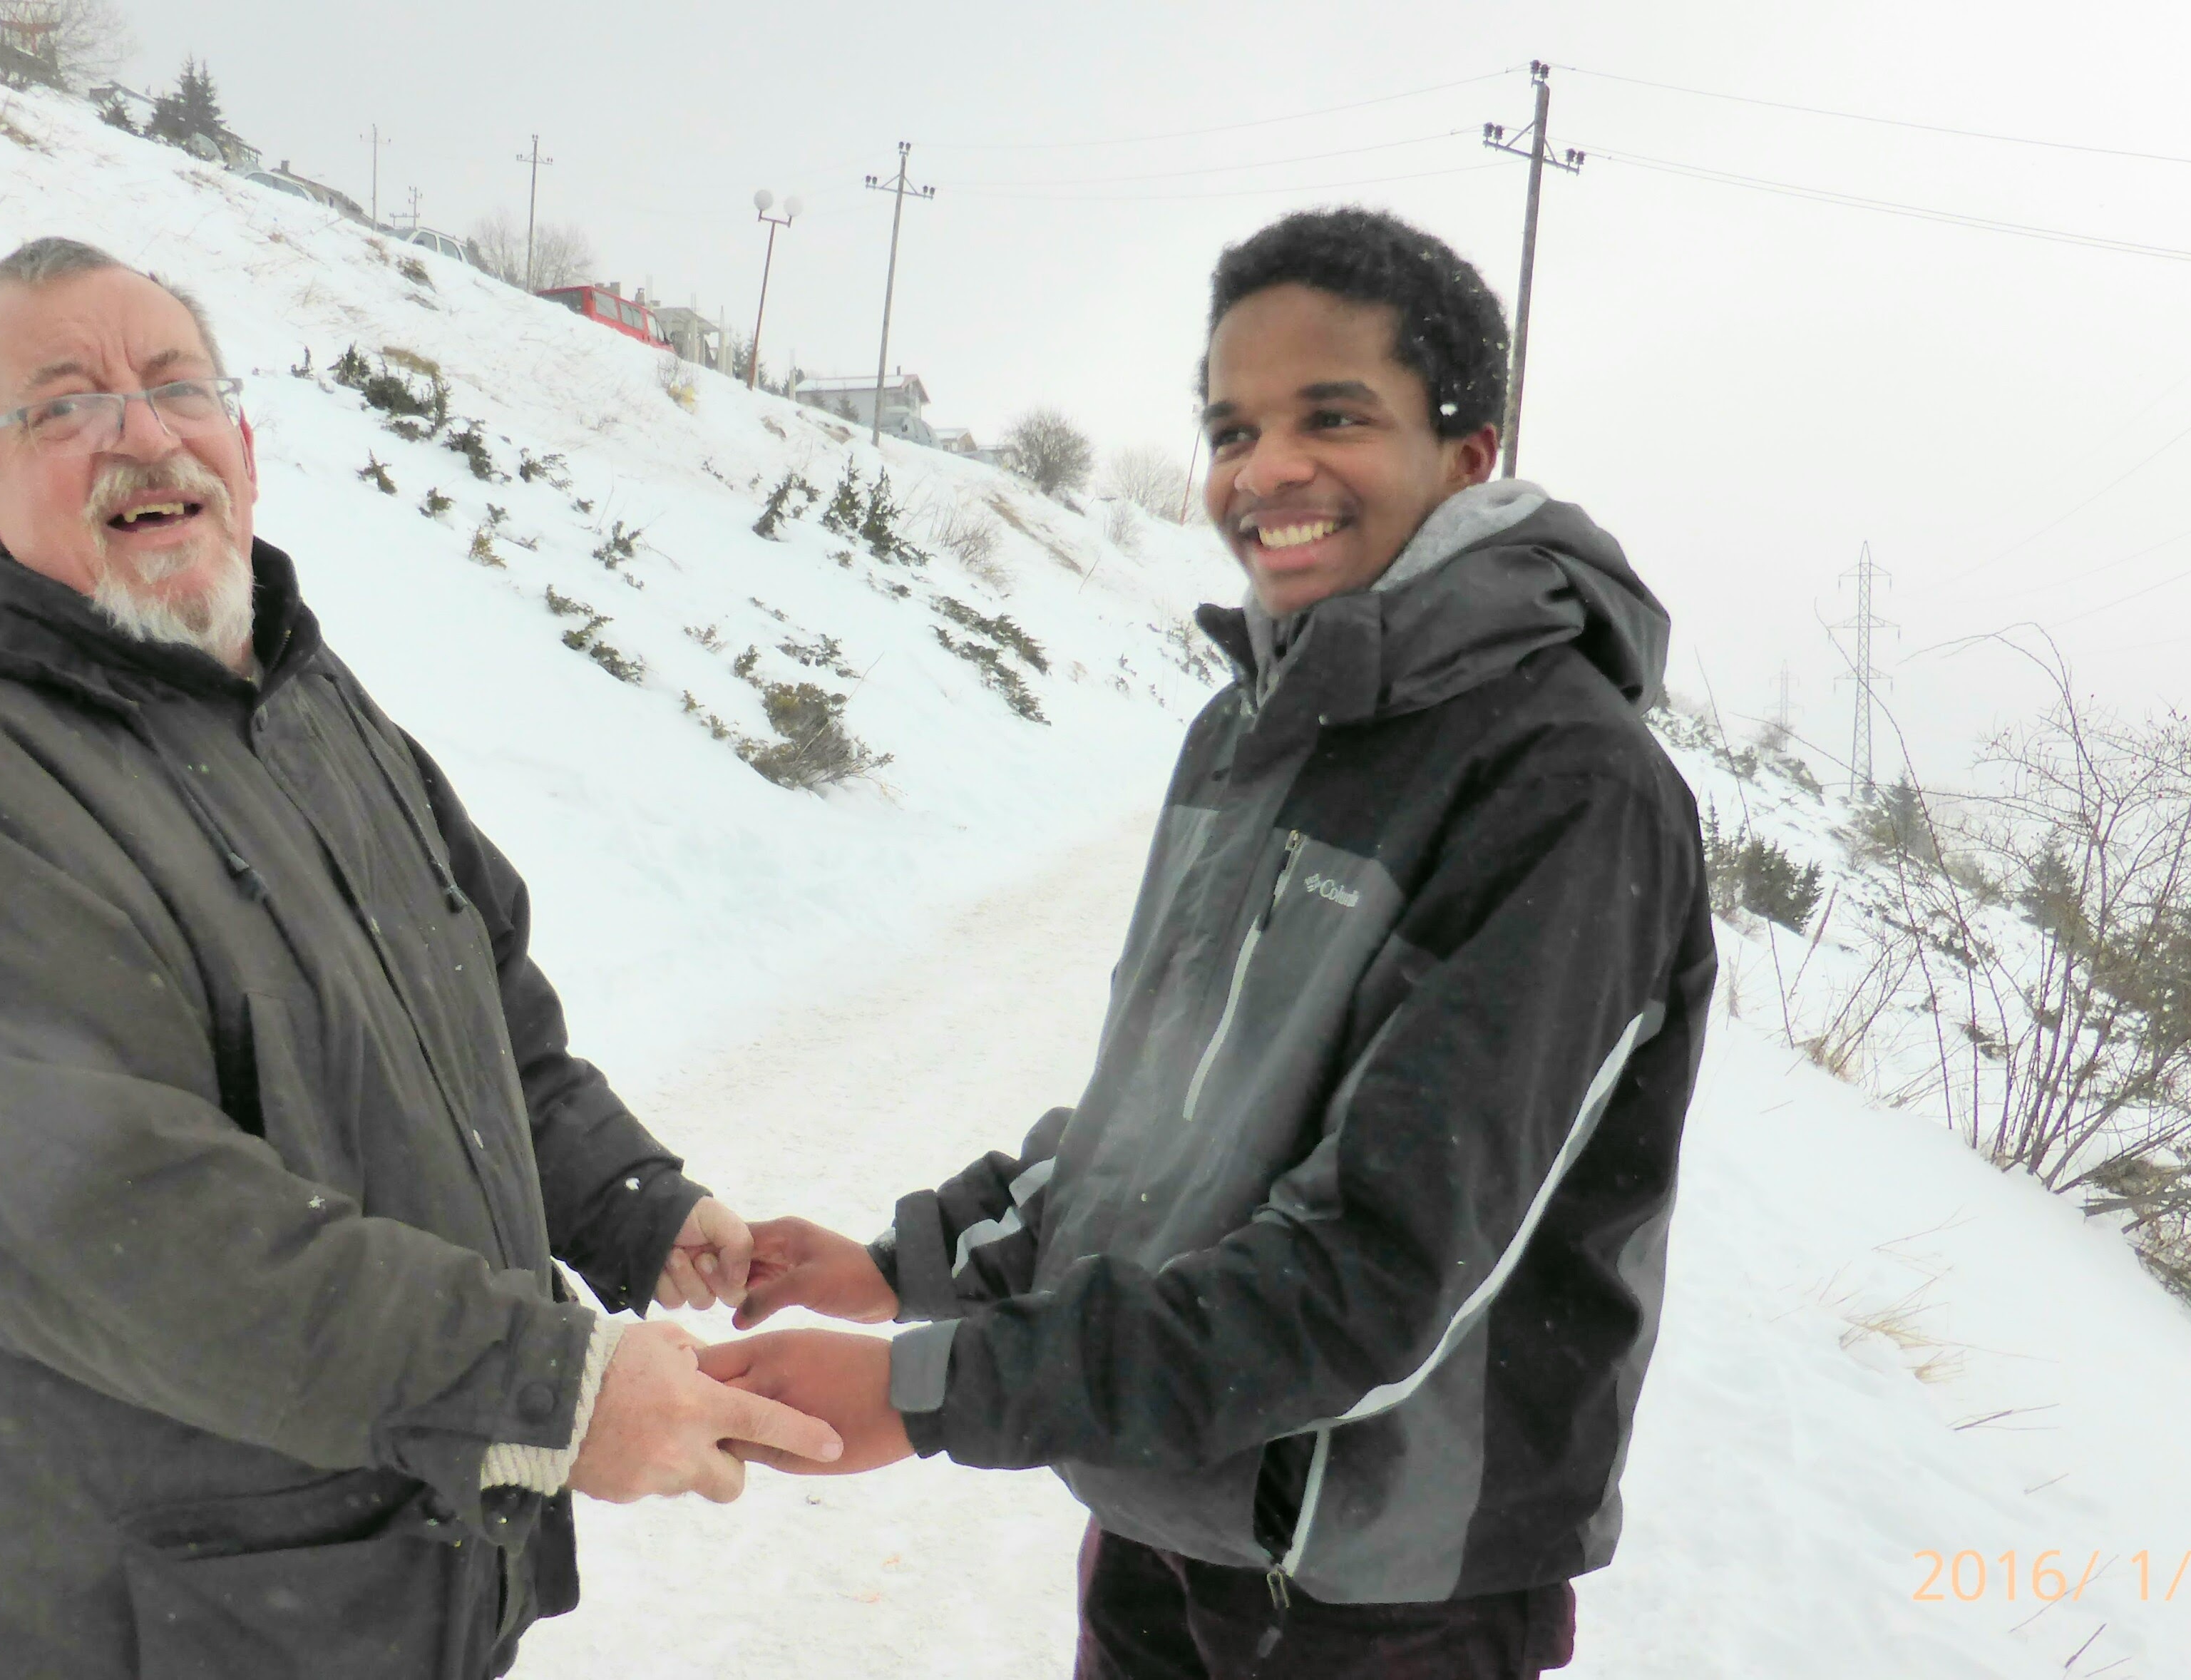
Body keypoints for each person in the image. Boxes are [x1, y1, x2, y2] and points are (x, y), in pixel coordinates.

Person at [0, 236, 839, 1680]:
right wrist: (549, 1383)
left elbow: (484, 1017)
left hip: (385, 1597)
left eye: (175, 386)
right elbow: (123, 1229)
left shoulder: (307, 704)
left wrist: (631, 1199)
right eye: (64, 404)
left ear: (245, 444)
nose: (141, 434)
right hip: (164, 1629)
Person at [704, 205, 1716, 1679]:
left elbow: (1376, 1268)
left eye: (1333, 415)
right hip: (1168, 1516)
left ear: (1467, 451)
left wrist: (927, 1390)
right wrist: (895, 1265)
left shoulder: (1565, 785)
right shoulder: (1246, 731)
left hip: (1377, 1589)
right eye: (1230, 427)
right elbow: (1157, 1130)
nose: (1265, 471)